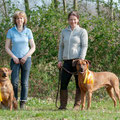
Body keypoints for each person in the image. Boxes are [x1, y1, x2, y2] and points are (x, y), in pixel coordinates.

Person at [57, 11, 88, 110]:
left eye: (74, 19)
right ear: (68, 20)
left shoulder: (82, 31)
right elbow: (61, 47)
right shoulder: (64, 31)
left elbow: (84, 46)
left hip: (78, 62)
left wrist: (81, 59)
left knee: (79, 84)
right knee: (63, 83)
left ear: (78, 20)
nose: (72, 21)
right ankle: (63, 105)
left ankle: (77, 105)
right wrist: (59, 60)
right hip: (66, 61)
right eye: (70, 19)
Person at [5, 11, 36, 109]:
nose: (19, 20)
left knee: (24, 82)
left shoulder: (28, 31)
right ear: (15, 20)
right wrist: (14, 57)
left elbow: (33, 47)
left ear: (24, 20)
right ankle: (14, 102)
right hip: (14, 60)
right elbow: (7, 47)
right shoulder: (11, 31)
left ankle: (23, 103)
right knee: (14, 81)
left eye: (21, 18)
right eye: (18, 18)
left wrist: (26, 57)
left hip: (26, 59)